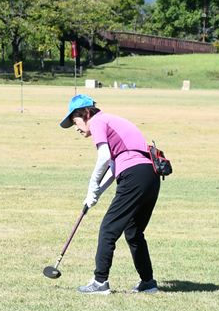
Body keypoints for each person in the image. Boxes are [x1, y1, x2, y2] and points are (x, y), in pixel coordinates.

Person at [60, 94, 159, 295]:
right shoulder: (111, 121)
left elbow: (104, 157)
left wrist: (91, 185)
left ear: (86, 113)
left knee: (108, 228)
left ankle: (100, 282)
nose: (76, 128)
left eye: (75, 121)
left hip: (134, 175)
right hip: (150, 176)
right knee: (133, 231)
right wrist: (96, 194)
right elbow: (114, 168)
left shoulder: (97, 121)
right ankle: (148, 282)